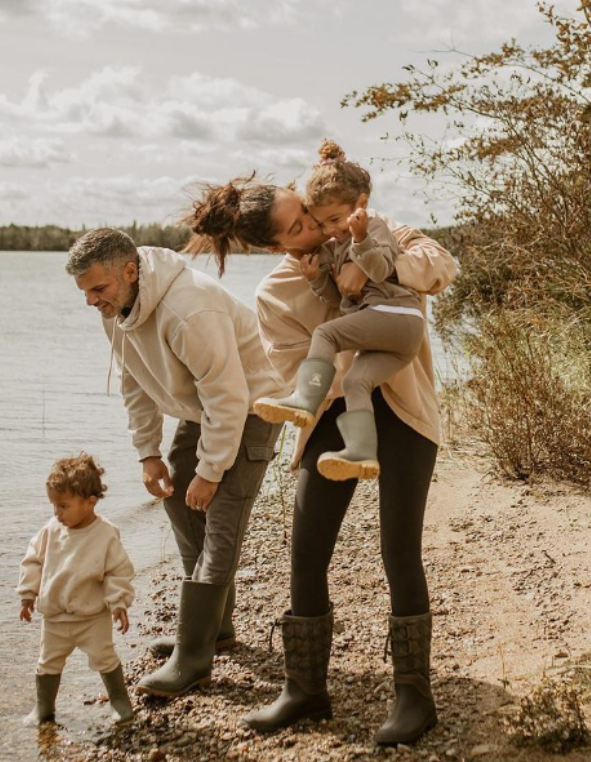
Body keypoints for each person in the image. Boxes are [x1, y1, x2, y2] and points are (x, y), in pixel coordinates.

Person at [184, 162, 456, 746]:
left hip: (405, 410)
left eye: (306, 210)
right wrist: (340, 301)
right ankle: (304, 689)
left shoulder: (372, 229)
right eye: (298, 224)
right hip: (332, 418)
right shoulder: (275, 293)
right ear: (277, 245)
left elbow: (441, 266)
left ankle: (415, 696)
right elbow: (293, 370)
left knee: (398, 549)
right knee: (305, 552)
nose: (313, 223)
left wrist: (372, 264)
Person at [64, 228, 286, 699]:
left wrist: (210, 472)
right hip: (201, 410)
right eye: (84, 292)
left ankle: (193, 658)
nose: (91, 301)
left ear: (129, 271)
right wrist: (148, 453)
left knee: (221, 522)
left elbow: (228, 397)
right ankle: (214, 630)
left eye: (97, 289)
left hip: (250, 409)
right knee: (182, 510)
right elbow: (135, 381)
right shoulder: (117, 307)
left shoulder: (190, 309)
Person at [253, 140, 425, 482]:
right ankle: (361, 453)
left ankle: (304, 398)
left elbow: (378, 270)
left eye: (335, 220)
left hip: (398, 315)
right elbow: (338, 299)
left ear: (361, 204)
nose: (331, 230)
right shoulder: (334, 246)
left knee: (325, 334)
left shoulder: (373, 227)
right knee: (355, 381)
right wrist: (316, 279)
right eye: (322, 223)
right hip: (393, 337)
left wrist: (360, 242)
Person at [17, 453, 135, 726]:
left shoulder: (105, 534)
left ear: (90, 502)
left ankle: (119, 701)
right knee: (47, 662)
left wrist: (118, 603)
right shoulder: (51, 529)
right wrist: (27, 594)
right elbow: (33, 559)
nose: (56, 512)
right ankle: (43, 707)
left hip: (92, 617)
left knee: (104, 658)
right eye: (54, 506)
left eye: (63, 506)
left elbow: (117, 571)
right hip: (55, 617)